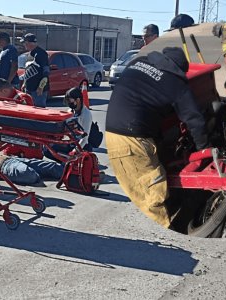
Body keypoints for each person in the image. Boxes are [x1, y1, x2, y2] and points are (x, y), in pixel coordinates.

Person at [105, 47, 209, 229]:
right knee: (153, 197)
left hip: (116, 133)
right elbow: (194, 119)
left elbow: (143, 97)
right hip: (131, 142)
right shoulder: (176, 83)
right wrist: (205, 150)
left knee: (146, 192)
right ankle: (167, 251)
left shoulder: (138, 63)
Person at [44, 87, 93, 162]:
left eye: (70, 101)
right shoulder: (70, 111)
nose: (69, 103)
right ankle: (65, 162)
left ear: (78, 100)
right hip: (71, 142)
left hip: (82, 145)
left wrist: (75, 151)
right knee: (47, 150)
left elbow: (84, 139)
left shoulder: (86, 114)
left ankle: (71, 161)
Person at [0, 152, 64, 186]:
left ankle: (72, 174)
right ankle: (40, 175)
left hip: (13, 158)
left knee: (52, 166)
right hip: (5, 167)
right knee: (29, 174)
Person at [20, 33, 50, 108]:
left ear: (29, 43)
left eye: (25, 43)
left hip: (37, 90)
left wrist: (41, 87)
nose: (24, 45)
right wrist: (24, 83)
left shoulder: (41, 53)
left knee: (39, 109)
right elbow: (27, 69)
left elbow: (46, 72)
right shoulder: (30, 54)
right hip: (29, 88)